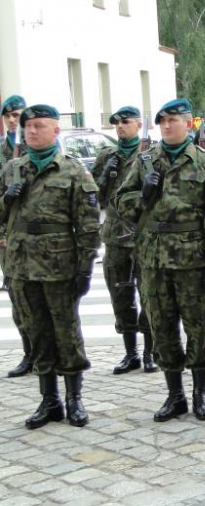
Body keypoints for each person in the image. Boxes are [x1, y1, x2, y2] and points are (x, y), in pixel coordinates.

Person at [118, 99, 205, 422]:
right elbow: (119, 203)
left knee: (198, 327)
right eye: (162, 121)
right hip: (154, 259)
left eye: (173, 120)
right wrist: (142, 197)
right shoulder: (146, 162)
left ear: (189, 123)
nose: (167, 126)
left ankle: (200, 393)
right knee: (162, 325)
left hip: (193, 258)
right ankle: (175, 394)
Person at [0, 104, 100, 428]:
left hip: (59, 266)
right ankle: (49, 400)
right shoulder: (12, 170)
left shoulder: (72, 171)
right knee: (37, 332)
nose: (31, 131)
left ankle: (74, 399)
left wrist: (84, 267)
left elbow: (87, 226)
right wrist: (6, 199)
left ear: (55, 131)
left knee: (66, 332)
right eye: (28, 126)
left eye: (39, 126)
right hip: (21, 266)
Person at [92, 106, 158, 375]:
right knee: (120, 295)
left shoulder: (152, 153)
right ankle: (130, 352)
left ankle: (150, 352)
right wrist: (106, 173)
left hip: (144, 235)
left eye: (125, 122)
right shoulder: (108, 155)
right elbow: (94, 196)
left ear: (138, 124)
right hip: (116, 235)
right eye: (116, 123)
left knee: (149, 295)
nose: (120, 127)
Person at [0, 94, 33, 376]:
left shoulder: (41, 147)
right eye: (9, 116)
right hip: (9, 237)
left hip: (39, 237)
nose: (13, 120)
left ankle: (50, 353)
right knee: (17, 297)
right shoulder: (1, 151)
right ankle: (28, 353)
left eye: (18, 115)